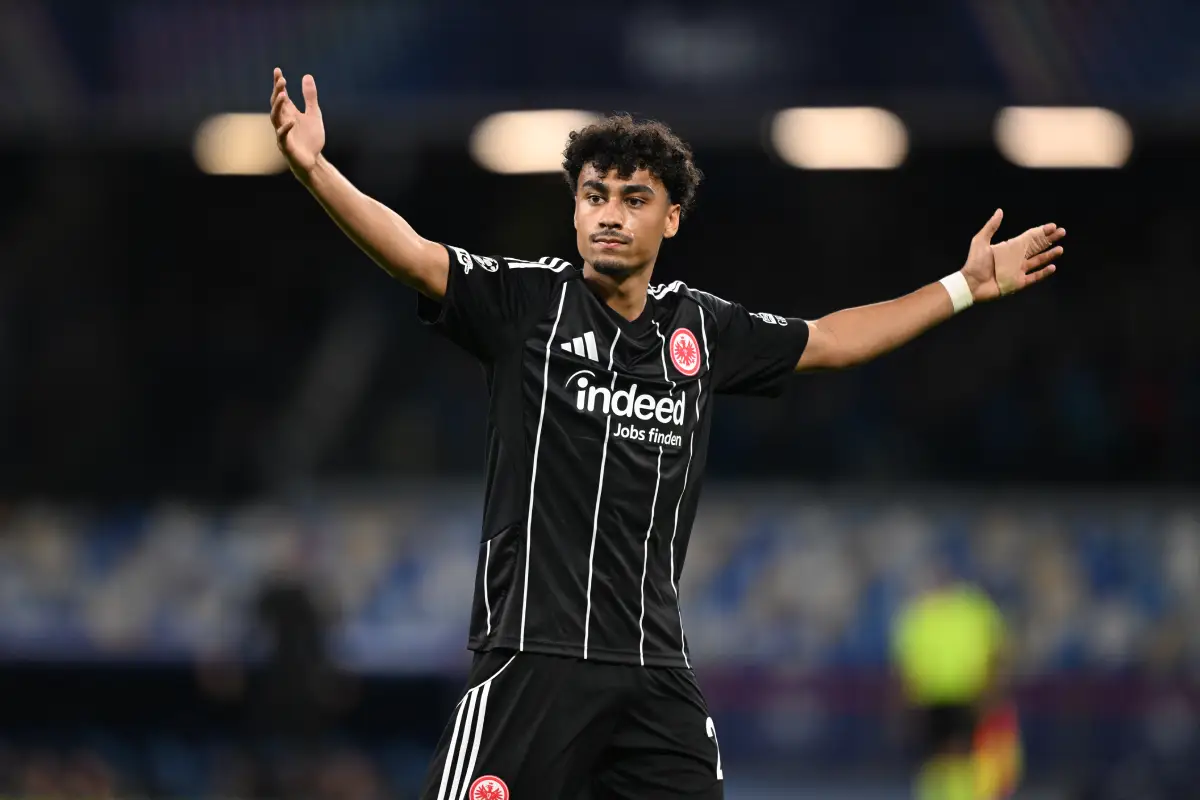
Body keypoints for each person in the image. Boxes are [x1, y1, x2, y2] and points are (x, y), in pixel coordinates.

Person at [268, 67, 1064, 800]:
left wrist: (964, 286)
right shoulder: (522, 305)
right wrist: (313, 170)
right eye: (593, 194)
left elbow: (831, 340)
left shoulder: (701, 330)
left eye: (633, 197)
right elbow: (409, 252)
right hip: (531, 659)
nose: (609, 213)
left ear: (671, 216)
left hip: (654, 674)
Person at [892, 577, 1018, 800]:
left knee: (962, 755)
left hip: (966, 695)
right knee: (940, 759)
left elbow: (997, 652)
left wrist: (990, 689)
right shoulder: (919, 613)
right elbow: (906, 663)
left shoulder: (973, 609)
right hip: (932, 698)